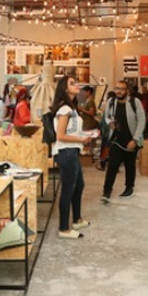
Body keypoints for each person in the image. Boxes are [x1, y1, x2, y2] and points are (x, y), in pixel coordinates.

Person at [52, 76, 92, 239]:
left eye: (76, 82)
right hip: (66, 152)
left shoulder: (71, 107)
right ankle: (63, 228)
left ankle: (77, 220)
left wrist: (82, 138)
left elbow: (70, 131)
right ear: (64, 88)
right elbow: (60, 136)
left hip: (72, 151)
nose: (77, 85)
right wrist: (81, 139)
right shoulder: (64, 109)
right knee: (68, 190)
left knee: (79, 185)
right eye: (72, 83)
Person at [101, 80, 146, 202]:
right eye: (117, 88)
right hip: (116, 139)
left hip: (131, 139)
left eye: (122, 89)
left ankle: (129, 188)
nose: (119, 91)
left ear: (127, 91)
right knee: (112, 166)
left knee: (130, 165)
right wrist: (110, 122)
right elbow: (106, 116)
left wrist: (135, 140)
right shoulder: (111, 102)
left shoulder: (134, 102)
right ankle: (106, 191)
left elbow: (142, 121)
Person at [96, 91, 116, 171]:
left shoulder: (108, 107)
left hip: (107, 131)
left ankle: (102, 165)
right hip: (114, 132)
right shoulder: (117, 107)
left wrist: (100, 126)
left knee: (104, 148)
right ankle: (115, 166)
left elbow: (103, 121)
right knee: (113, 149)